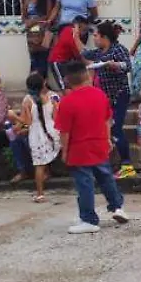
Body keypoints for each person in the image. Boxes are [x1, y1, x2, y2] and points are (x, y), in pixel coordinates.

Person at [56, 61, 129, 234]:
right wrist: (108, 139)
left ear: (67, 80)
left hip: (79, 148)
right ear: (87, 75)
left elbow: (64, 132)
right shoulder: (100, 95)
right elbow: (107, 120)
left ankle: (89, 219)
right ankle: (117, 207)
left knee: (85, 184)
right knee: (106, 178)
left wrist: (64, 151)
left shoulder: (67, 102)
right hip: (99, 143)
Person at [84, 20, 136, 179]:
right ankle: (104, 164)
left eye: (96, 35)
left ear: (104, 37)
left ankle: (127, 166)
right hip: (105, 98)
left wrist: (114, 65)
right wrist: (74, 37)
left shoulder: (118, 49)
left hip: (119, 94)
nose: (94, 38)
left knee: (116, 128)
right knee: (106, 129)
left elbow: (127, 66)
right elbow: (84, 54)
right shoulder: (99, 52)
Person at [20, 73, 60, 203]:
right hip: (52, 131)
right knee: (47, 158)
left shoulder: (27, 100)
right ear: (43, 84)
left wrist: (13, 117)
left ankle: (40, 194)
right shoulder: (52, 97)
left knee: (39, 165)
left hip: (37, 134)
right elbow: (56, 117)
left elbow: (27, 122)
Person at [21, 0, 55, 78]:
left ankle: (42, 82)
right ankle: (34, 83)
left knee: (44, 59)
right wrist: (28, 23)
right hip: (31, 33)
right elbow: (24, 17)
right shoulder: (27, 0)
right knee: (34, 59)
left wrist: (34, 22)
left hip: (45, 32)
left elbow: (48, 15)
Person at [48, 16, 89, 90]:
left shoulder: (67, 29)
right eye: (84, 30)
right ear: (77, 27)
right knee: (64, 85)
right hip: (58, 61)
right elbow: (79, 54)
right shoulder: (72, 34)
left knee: (68, 84)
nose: (84, 33)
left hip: (65, 61)